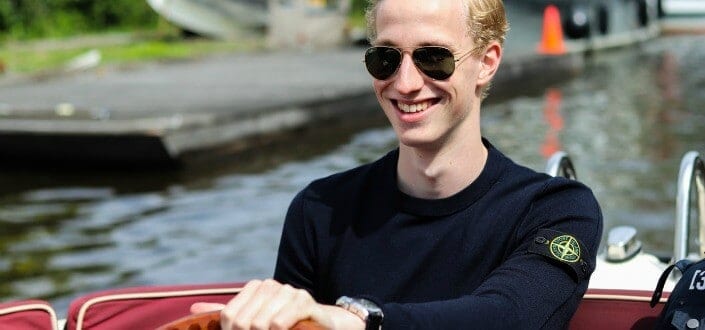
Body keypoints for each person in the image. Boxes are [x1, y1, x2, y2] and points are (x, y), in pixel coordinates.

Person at [191, 0, 603, 328]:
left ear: (487, 62)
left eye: (433, 57)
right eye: (386, 59)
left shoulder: (557, 211)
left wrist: (355, 321)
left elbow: (513, 316)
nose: (405, 83)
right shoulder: (319, 209)